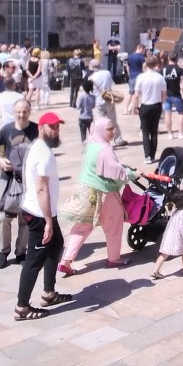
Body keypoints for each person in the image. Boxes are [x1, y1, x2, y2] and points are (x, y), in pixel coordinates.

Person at [58, 118, 138, 275]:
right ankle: (114, 258)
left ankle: (66, 260)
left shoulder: (91, 143)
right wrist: (133, 174)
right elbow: (116, 173)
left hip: (87, 191)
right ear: (102, 130)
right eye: (109, 129)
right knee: (113, 225)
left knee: (82, 227)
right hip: (105, 193)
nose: (113, 131)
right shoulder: (105, 149)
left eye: (113, 128)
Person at [14, 111, 72, 320]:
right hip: (40, 214)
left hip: (44, 212)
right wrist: (48, 221)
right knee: (34, 260)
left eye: (57, 127)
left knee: (56, 245)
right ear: (41, 128)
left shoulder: (40, 148)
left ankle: (49, 293)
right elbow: (41, 189)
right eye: (51, 127)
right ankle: (22, 307)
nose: (55, 131)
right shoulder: (44, 153)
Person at [0, 99, 36, 269]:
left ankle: (21, 252)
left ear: (29, 112)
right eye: (18, 112)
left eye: (24, 111)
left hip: (27, 180)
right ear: (14, 112)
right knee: (3, 217)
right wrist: (1, 160)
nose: (21, 115)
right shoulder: (7, 129)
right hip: (8, 179)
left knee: (25, 217)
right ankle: (4, 251)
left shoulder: (35, 129)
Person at [150, 189, 183, 279]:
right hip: (179, 239)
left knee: (163, 254)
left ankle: (155, 271)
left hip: (170, 237)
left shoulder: (175, 212)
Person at [134, 55, 168, 164]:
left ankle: (147, 156)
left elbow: (136, 94)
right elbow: (164, 94)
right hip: (156, 105)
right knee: (154, 132)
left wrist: (135, 106)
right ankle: (152, 155)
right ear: (156, 64)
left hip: (145, 105)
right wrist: (162, 104)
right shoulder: (160, 77)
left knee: (145, 131)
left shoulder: (141, 77)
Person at [75, 78, 95, 142]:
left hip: (82, 117)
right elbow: (93, 106)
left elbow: (78, 106)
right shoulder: (93, 97)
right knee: (92, 133)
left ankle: (84, 147)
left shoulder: (81, 97)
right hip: (90, 117)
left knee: (83, 134)